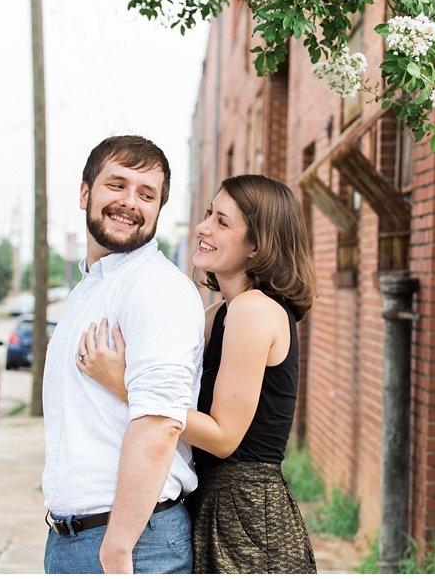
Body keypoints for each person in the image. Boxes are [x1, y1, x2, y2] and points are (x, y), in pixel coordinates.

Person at [79, 174, 318, 573]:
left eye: (222, 222)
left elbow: (224, 438)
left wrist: (125, 386)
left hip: (246, 517)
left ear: (256, 246)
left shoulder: (254, 310)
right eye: (209, 213)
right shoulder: (217, 314)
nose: (202, 227)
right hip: (209, 502)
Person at [41, 135, 205, 574]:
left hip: (131, 544)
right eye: (117, 185)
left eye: (146, 194)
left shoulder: (155, 288)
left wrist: (117, 550)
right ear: (84, 193)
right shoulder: (91, 286)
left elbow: (160, 425)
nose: (130, 202)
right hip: (77, 540)